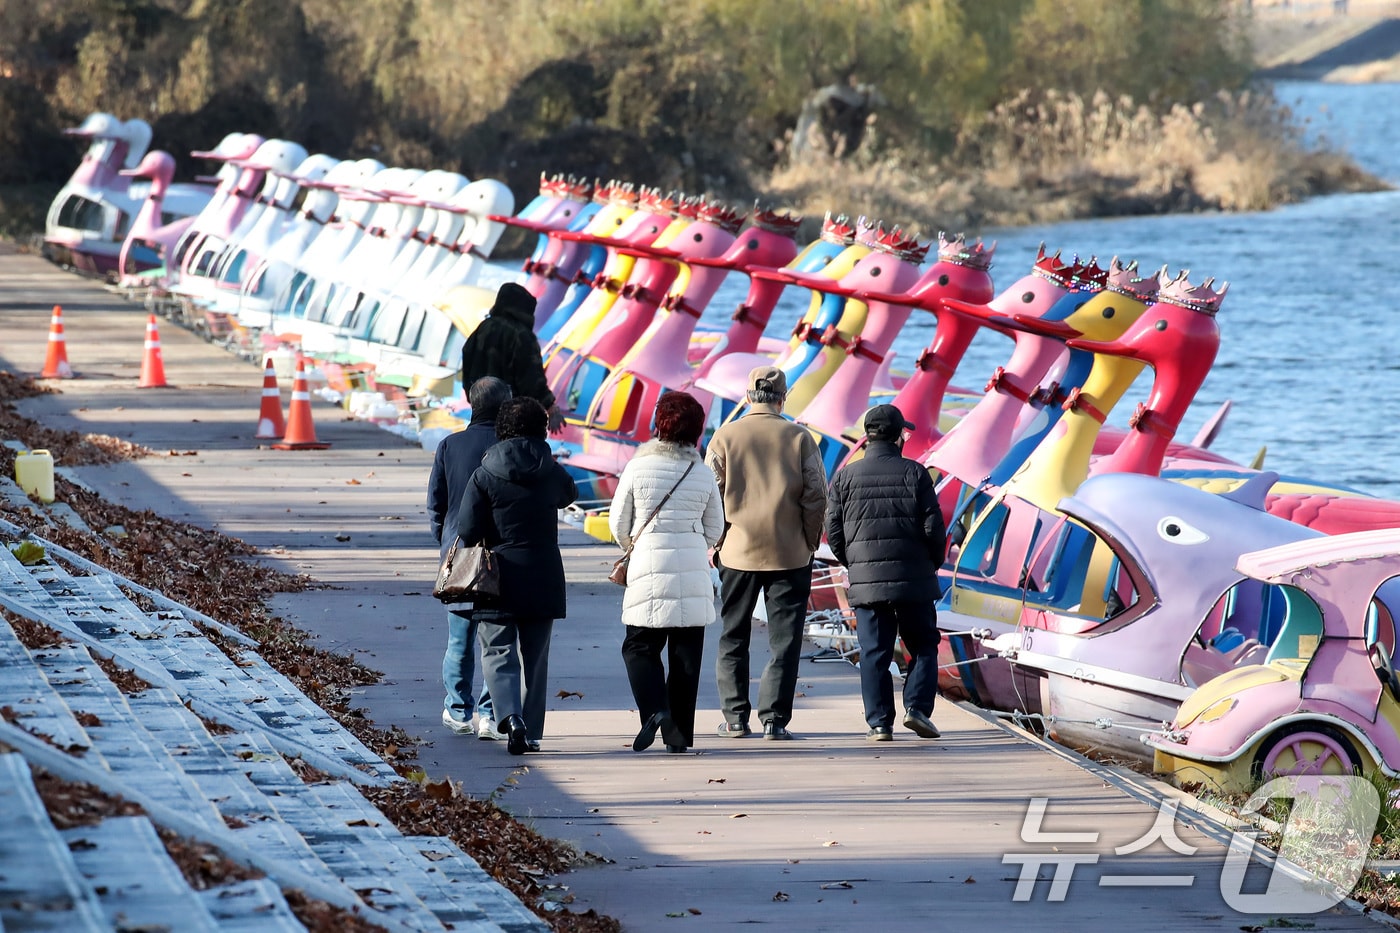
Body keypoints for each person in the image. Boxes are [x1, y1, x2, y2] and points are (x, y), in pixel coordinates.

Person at [705, 365, 827, 740]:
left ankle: (735, 719)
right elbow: (816, 495)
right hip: (789, 551)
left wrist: (716, 540)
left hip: (737, 551)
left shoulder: (724, 437)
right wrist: (809, 540)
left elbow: (711, 494)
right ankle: (774, 720)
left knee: (733, 635)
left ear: (747, 395)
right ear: (782, 398)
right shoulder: (799, 437)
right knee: (785, 639)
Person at [455, 396, 577, 754]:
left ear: (502, 428)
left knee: (497, 649)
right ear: (540, 430)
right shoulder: (550, 469)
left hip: (497, 576)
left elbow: (467, 527)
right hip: (543, 574)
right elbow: (567, 495)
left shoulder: (485, 472)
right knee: (535, 656)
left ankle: (510, 717)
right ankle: (533, 729)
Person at [609, 392, 724, 754]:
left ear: (658, 425)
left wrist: (636, 543)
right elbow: (715, 529)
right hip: (691, 569)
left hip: (647, 567)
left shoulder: (637, 468)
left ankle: (657, 710)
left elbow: (618, 523)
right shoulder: (703, 473)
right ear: (696, 431)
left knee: (639, 647)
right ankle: (680, 736)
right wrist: (690, 540)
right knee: (685, 656)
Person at [824, 403, 945, 742]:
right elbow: (934, 528)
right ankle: (918, 709)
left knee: (874, 651)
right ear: (898, 437)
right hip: (914, 577)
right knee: (922, 644)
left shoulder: (846, 476)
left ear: (867, 437)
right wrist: (931, 564)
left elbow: (832, 529)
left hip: (867, 579)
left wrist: (854, 562)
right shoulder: (916, 473)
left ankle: (879, 723)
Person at [427, 376, 511, 739]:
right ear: (505, 405)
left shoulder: (450, 445)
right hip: (502, 557)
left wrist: (445, 542)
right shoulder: (511, 447)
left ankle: (457, 710)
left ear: (470, 402)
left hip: (460, 553)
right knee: (499, 643)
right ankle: (490, 715)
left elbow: (436, 504)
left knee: (459, 640)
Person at [459, 282, 564, 433]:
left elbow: (467, 361)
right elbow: (532, 379)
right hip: (512, 418)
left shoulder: (482, 329)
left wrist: (474, 397)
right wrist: (550, 407)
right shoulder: (522, 336)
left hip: (480, 413)